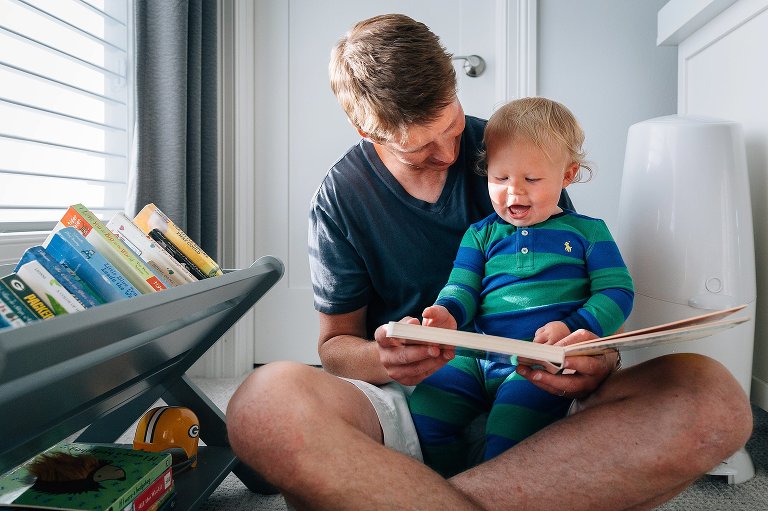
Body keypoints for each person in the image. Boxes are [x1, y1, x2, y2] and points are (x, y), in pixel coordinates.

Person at [226, 13, 752, 511]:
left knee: (713, 401)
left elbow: (578, 283)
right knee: (262, 402)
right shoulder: (339, 199)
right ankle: (514, 489)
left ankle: (407, 494)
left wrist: (596, 355)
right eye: (419, 148)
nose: (450, 155)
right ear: (369, 133)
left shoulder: (515, 146)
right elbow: (336, 348)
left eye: (452, 126)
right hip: (415, 398)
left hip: (540, 384)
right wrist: (386, 360)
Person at [409, 97, 635, 477]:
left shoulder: (588, 232)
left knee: (511, 429)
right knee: (427, 408)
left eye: (531, 180)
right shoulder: (480, 234)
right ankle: (450, 485)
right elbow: (461, 287)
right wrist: (446, 312)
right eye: (500, 178)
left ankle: (492, 487)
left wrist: (573, 327)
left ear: (567, 175)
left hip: (537, 361)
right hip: (476, 353)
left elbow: (617, 292)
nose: (514, 193)